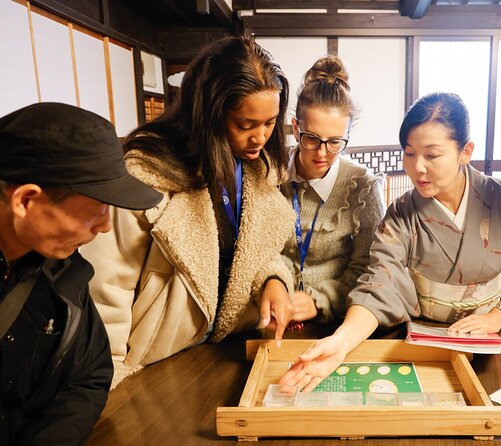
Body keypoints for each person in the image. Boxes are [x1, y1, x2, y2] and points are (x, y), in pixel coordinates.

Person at [281, 92, 501, 392]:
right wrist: (341, 341)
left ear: (465, 151)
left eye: (432, 155)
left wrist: (498, 314)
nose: (417, 167)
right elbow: (379, 285)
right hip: (429, 347)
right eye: (410, 153)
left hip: (500, 341)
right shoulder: (401, 215)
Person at [80, 36, 296, 388]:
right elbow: (107, 286)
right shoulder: (148, 171)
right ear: (209, 113)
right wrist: (106, 375)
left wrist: (272, 281)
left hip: (228, 347)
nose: (260, 137)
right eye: (245, 124)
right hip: (157, 359)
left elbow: (256, 251)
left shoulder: (259, 169)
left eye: (270, 123)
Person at [0, 102, 162, 445]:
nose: (105, 227)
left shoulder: (62, 271)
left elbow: (89, 375)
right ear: (26, 200)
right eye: (97, 209)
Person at [281, 55, 385, 324]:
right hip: (274, 313)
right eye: (312, 139)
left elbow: (368, 268)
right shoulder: (272, 174)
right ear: (296, 128)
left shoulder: (363, 188)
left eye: (336, 142)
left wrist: (319, 300)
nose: (323, 154)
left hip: (335, 322)